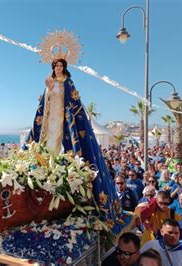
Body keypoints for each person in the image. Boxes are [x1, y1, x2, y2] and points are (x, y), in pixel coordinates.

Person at [28, 57, 127, 234]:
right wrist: (49, 90)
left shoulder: (68, 82)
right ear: (53, 68)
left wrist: (67, 114)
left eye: (60, 65)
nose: (58, 68)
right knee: (47, 149)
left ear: (64, 68)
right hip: (50, 124)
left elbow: (73, 103)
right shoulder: (49, 82)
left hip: (65, 123)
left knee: (66, 150)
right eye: (56, 66)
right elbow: (44, 105)